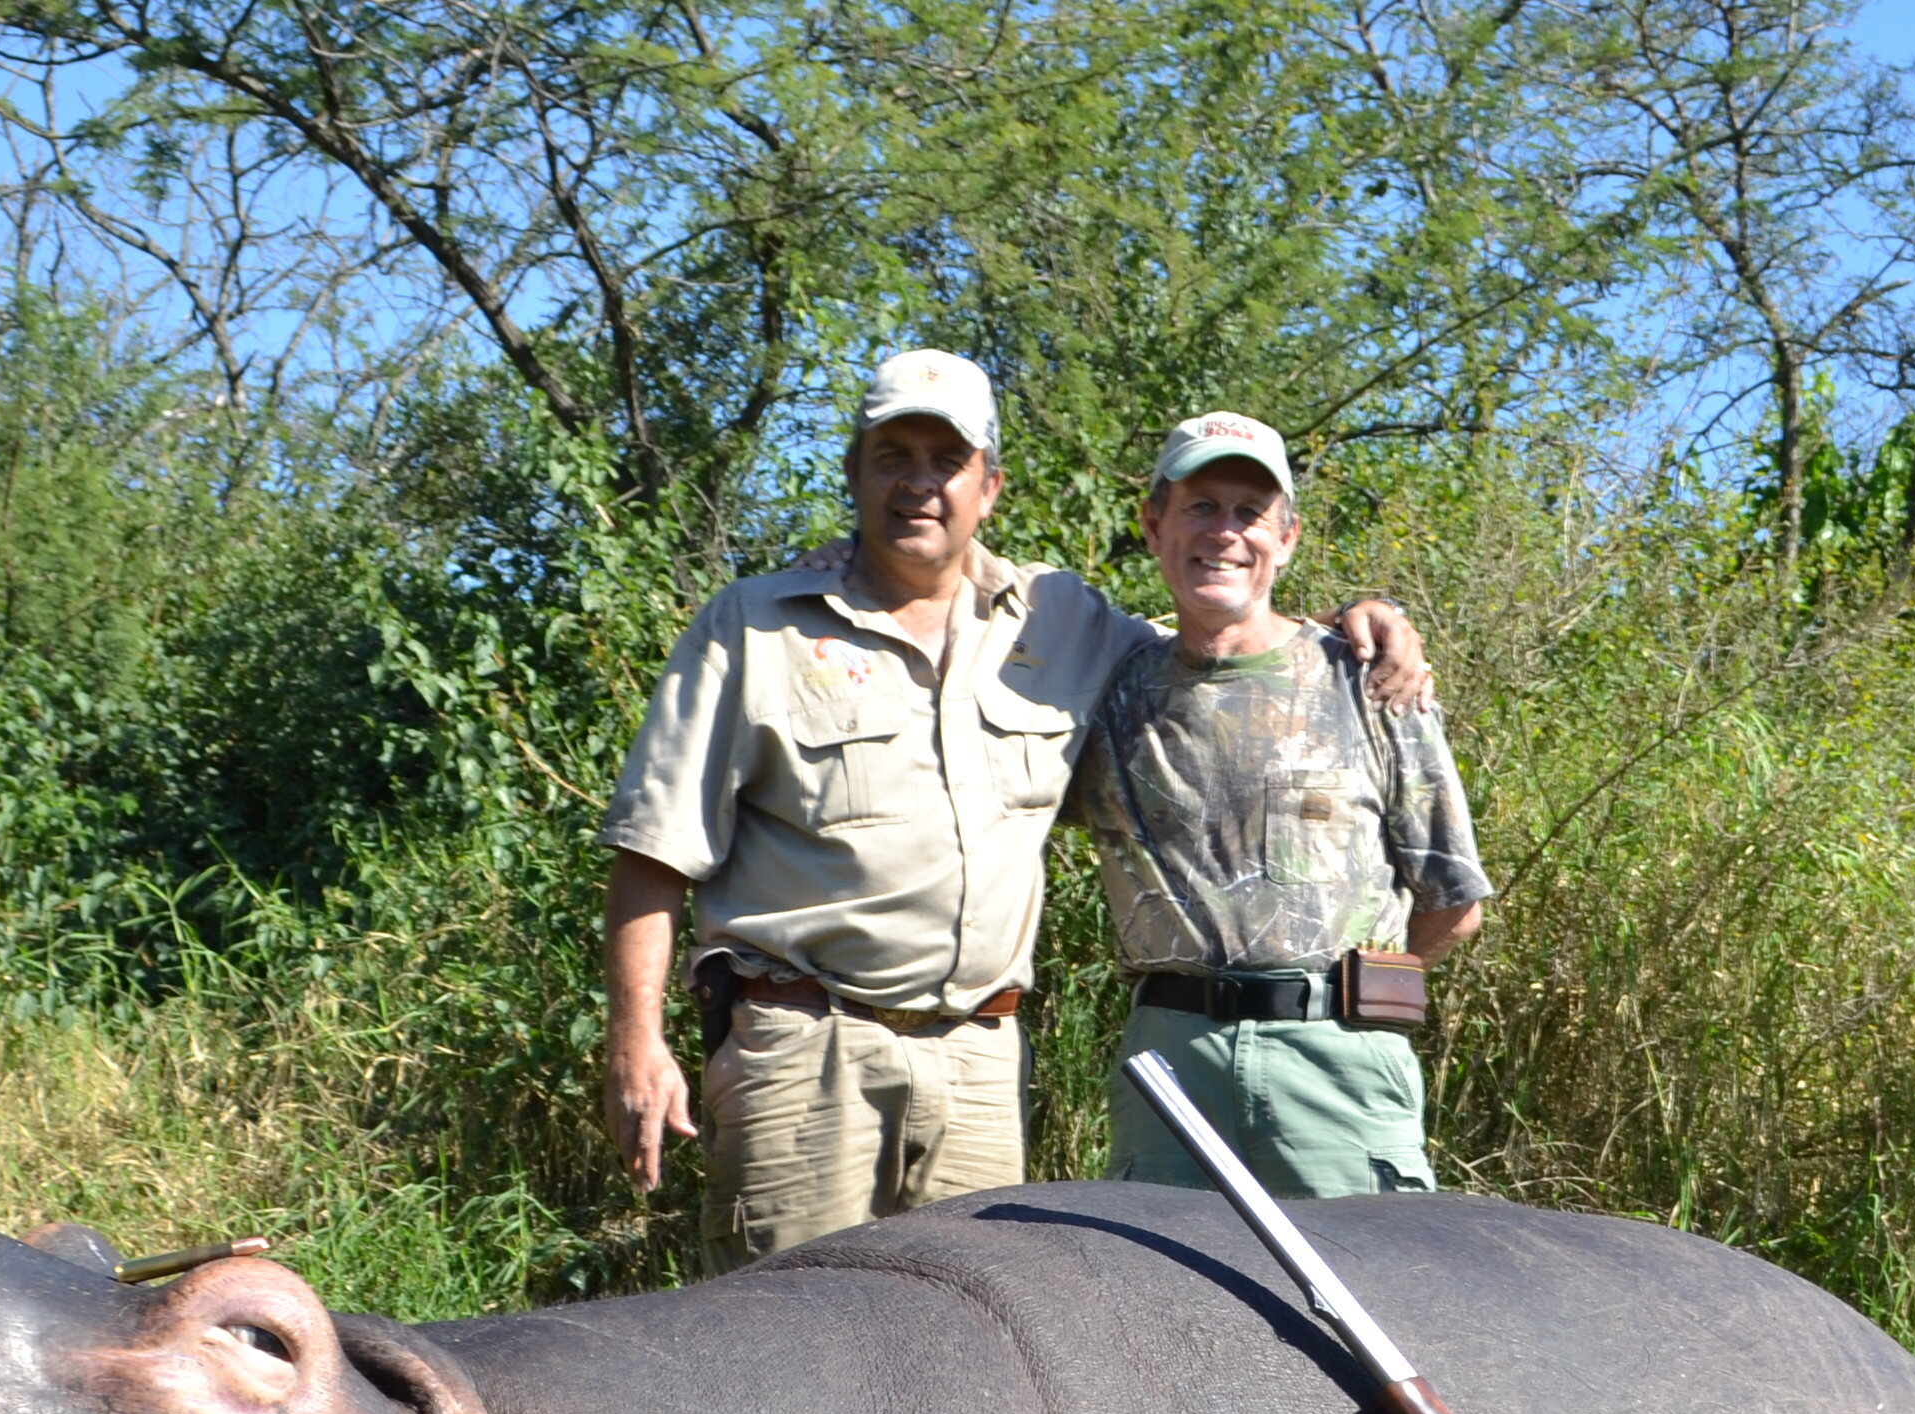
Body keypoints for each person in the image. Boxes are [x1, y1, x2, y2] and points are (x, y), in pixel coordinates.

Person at [597, 351, 1427, 1269]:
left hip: (982, 1063)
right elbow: (654, 851)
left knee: (974, 1352)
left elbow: (1221, 638)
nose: (919, 484)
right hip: (803, 1048)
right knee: (790, 1354)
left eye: (944, 462)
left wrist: (1368, 615)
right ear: (854, 473)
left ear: (987, 486)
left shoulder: (1058, 619)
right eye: (892, 456)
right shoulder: (753, 626)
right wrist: (637, 1039)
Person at [1074, 411, 1490, 1202]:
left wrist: (1350, 1003)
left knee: (1372, 1298)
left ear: (1287, 538)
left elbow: (1453, 903)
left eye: (1248, 512)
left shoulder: (1371, 681)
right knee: (1162, 1303)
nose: (1224, 532)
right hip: (1169, 1060)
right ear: (1154, 524)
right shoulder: (1108, 688)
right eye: (1200, 507)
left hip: (1338, 1062)